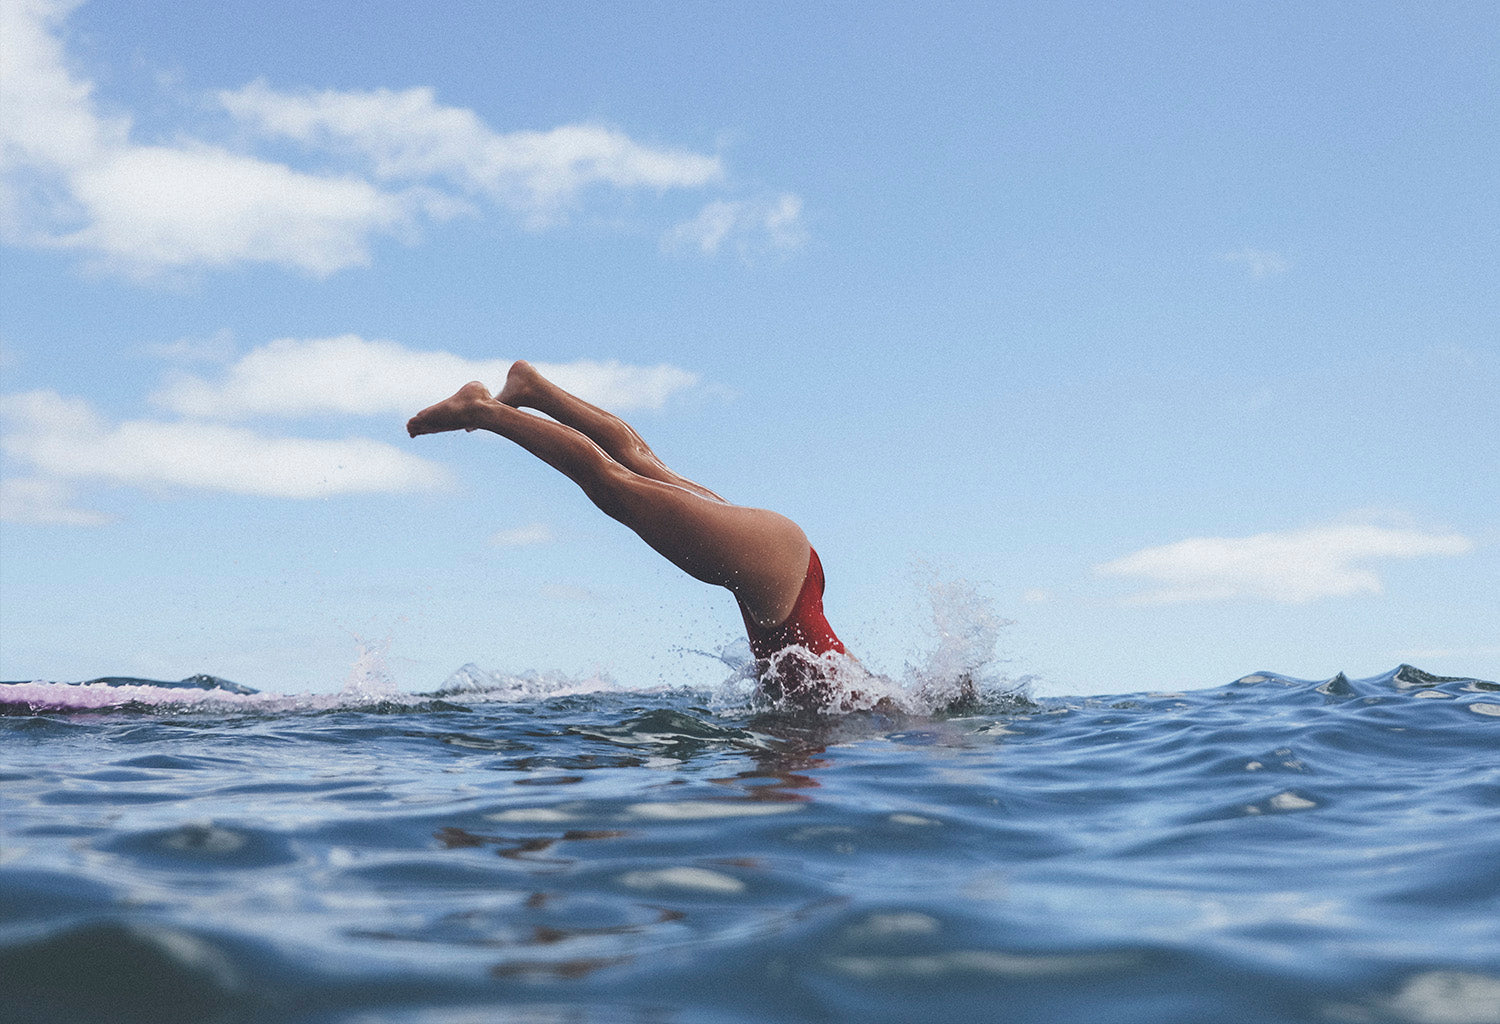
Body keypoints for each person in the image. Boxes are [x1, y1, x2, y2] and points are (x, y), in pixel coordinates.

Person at [407, 360, 848, 703]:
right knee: (615, 488)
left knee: (640, 465)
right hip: (778, 584)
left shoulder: (856, 703)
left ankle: (532, 389)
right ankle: (482, 410)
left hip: (787, 572)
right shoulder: (859, 714)